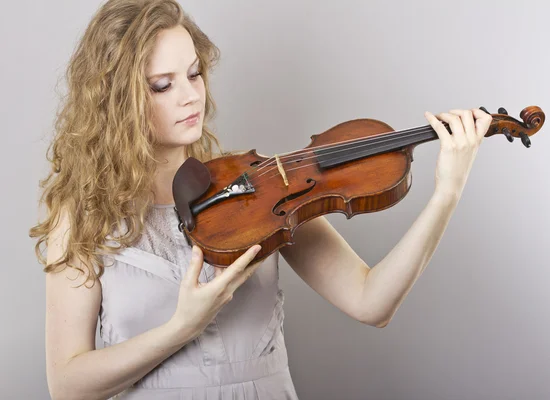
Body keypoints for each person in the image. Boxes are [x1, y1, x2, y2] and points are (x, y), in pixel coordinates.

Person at [29, 0, 493, 399]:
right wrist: (180, 328)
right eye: (162, 85)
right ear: (116, 100)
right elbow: (67, 385)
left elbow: (372, 303)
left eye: (194, 73)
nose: (191, 95)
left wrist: (445, 194)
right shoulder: (85, 216)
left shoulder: (260, 186)